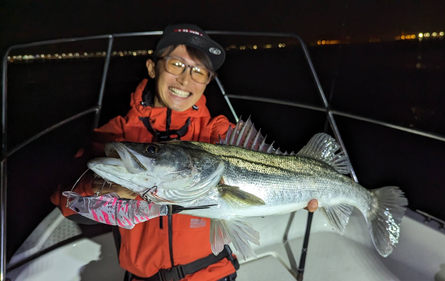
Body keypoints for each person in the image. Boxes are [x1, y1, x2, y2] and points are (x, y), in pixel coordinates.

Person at [51, 23, 318, 281]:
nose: (185, 79)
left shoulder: (218, 133)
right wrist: (102, 187)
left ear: (208, 81)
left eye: (199, 71)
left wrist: (307, 189)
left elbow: (261, 179)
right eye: (176, 64)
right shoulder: (117, 133)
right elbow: (64, 201)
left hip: (214, 274)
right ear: (152, 67)